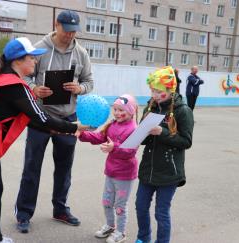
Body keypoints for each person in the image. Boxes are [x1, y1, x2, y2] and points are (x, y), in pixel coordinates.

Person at [0, 37, 88, 243]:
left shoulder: (7, 81)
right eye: (32, 58)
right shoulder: (12, 85)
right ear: (18, 61)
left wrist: (64, 130)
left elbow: (32, 121)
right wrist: (74, 126)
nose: (35, 62)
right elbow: (42, 117)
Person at [15, 10, 93, 233]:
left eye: (74, 31)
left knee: (64, 168)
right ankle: (23, 214)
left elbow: (89, 81)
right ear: (56, 25)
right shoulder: (38, 49)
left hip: (68, 118)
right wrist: (34, 89)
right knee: (31, 168)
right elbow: (24, 76)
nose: (70, 35)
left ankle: (60, 209)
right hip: (40, 117)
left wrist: (80, 88)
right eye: (67, 30)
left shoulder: (81, 53)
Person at [135, 66, 194, 243]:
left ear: (170, 90)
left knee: (161, 212)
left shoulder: (183, 110)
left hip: (169, 171)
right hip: (148, 169)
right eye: (152, 90)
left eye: (158, 91)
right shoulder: (150, 106)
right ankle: (143, 238)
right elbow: (143, 139)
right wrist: (140, 133)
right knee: (140, 206)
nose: (154, 94)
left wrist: (162, 132)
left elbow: (186, 141)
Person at [77, 94, 139, 243]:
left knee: (120, 206)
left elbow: (130, 151)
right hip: (111, 171)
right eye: (115, 109)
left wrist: (114, 147)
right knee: (106, 202)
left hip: (125, 174)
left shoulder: (134, 128)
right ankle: (110, 226)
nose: (117, 113)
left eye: (121, 110)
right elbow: (99, 137)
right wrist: (82, 134)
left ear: (131, 111)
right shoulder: (113, 124)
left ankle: (121, 232)